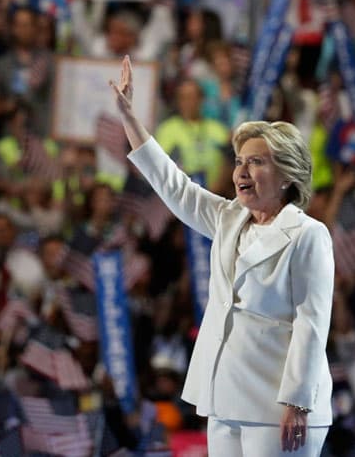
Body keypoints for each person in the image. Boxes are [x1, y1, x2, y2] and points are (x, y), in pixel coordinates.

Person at [109, 55, 334, 455]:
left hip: (278, 403)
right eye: (239, 161)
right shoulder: (229, 218)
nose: (242, 171)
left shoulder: (308, 235)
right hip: (223, 395)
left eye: (257, 162)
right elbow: (172, 184)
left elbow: (312, 323)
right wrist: (129, 117)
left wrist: (298, 402)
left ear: (286, 176)